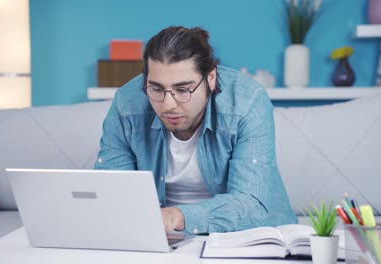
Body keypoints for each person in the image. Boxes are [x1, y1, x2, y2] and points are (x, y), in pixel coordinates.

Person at [95, 26, 297, 234]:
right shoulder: (127, 103)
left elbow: (250, 204)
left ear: (210, 78)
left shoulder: (247, 102)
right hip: (161, 235)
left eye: (182, 90)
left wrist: (178, 216)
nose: (168, 105)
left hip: (243, 236)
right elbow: (111, 191)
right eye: (156, 89)